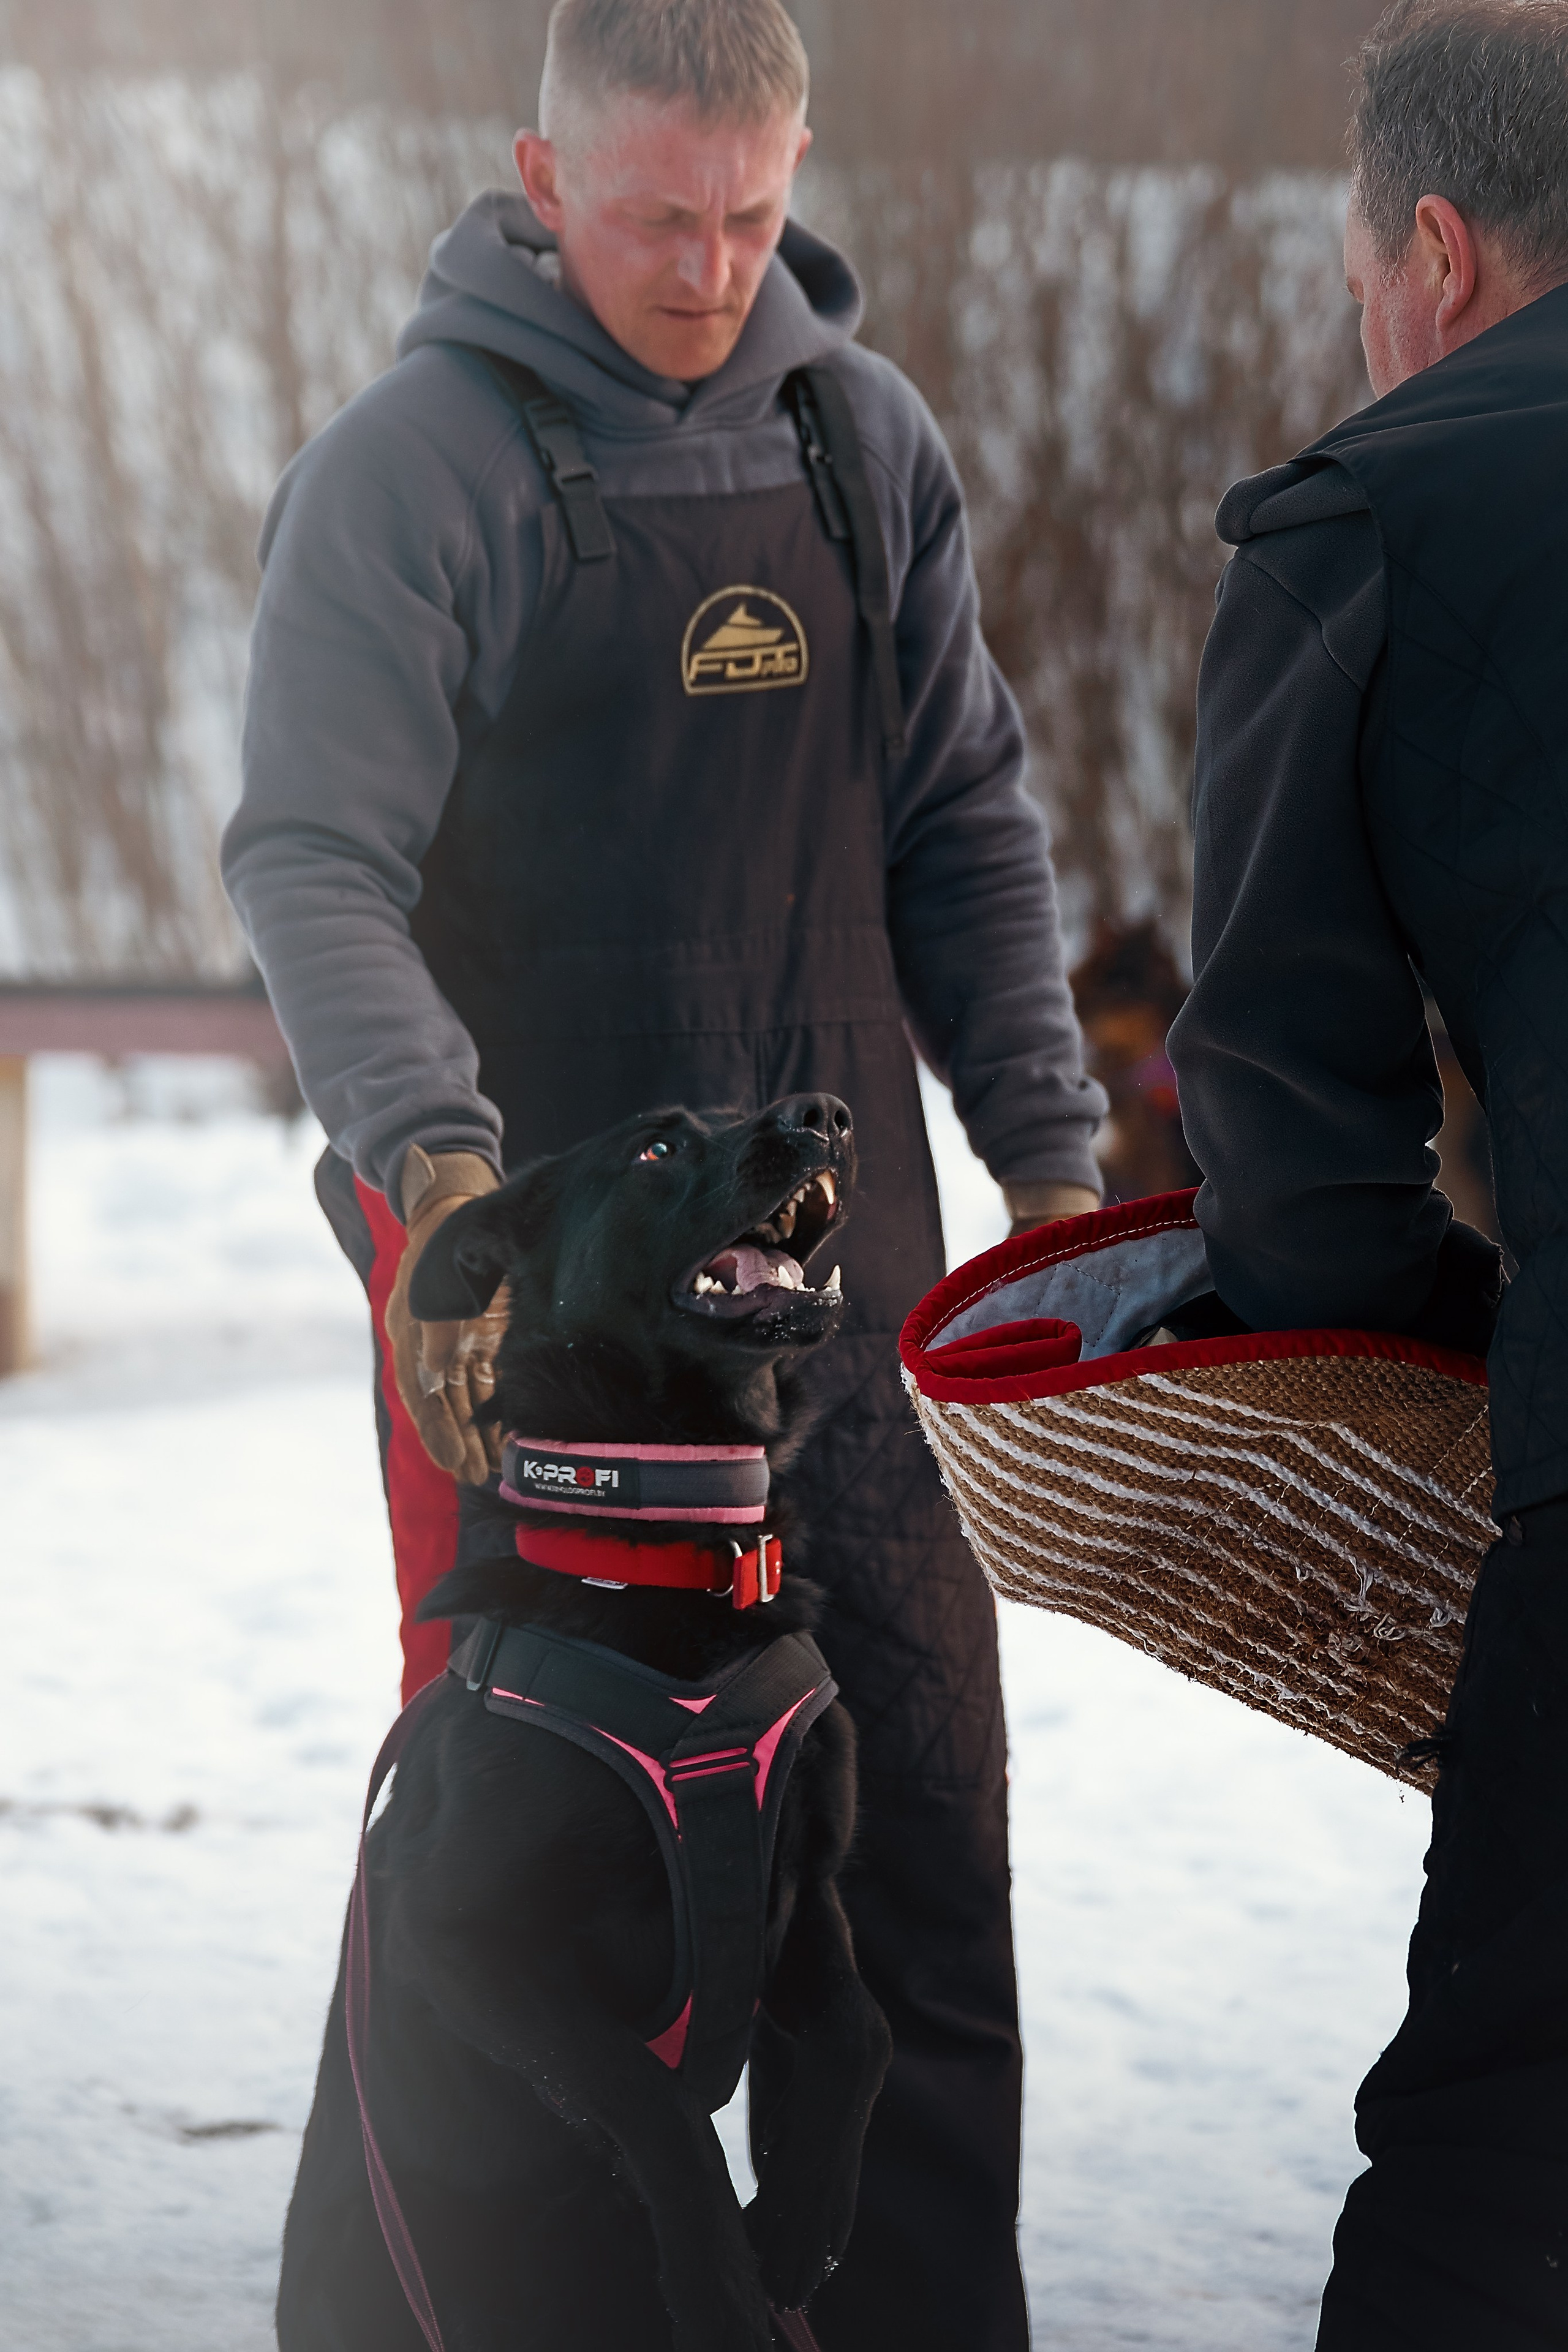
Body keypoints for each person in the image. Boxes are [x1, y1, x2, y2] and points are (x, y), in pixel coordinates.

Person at [222, 2, 1107, 2342]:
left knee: (913, 1864)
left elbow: (966, 838)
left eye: (751, 213)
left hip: (853, 1309)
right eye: (655, 220)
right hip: (556, 1330)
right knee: (517, 1927)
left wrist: (1054, 1164)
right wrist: (433, 1171)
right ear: (541, 170)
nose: (712, 267)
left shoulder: (859, 441)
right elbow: (314, 857)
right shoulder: (418, 468)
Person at [1168, 2, 1568, 2340]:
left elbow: (1296, 1154)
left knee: (1501, 2156)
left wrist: (1451, 1369)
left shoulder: (1370, 513)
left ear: (1429, 246)